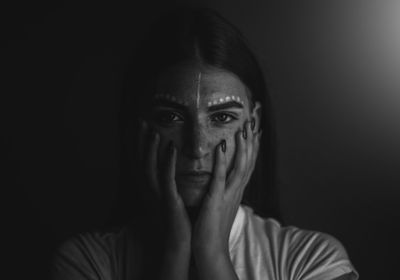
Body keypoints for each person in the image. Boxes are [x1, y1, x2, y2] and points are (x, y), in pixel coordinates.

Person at [51, 6, 359, 280]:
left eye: (222, 117)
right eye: (171, 117)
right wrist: (175, 253)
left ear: (253, 125)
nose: (196, 148)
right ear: (139, 126)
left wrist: (211, 253)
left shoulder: (313, 260)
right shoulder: (88, 262)